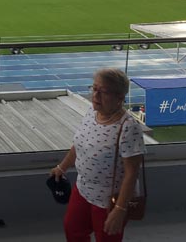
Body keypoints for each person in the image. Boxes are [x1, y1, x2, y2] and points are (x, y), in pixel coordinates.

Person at [50, 68, 145, 242]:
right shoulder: (91, 113)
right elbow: (79, 145)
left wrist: (120, 209)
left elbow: (132, 173)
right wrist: (61, 167)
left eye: (104, 91)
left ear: (120, 98)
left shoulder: (129, 127)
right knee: (73, 230)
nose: (95, 95)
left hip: (108, 200)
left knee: (106, 238)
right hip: (82, 190)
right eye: (94, 89)